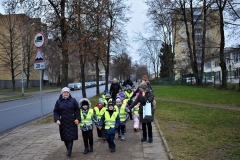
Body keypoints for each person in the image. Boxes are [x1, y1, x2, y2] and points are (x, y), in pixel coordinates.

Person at [53, 87, 80, 157]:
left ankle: (69, 150)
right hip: (63, 122)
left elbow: (77, 110)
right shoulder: (58, 102)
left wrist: (77, 118)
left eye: (67, 92)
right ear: (62, 94)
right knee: (65, 137)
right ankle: (68, 148)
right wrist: (57, 119)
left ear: (69, 93)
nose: (66, 94)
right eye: (64, 92)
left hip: (72, 121)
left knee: (71, 136)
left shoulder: (73, 100)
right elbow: (55, 112)